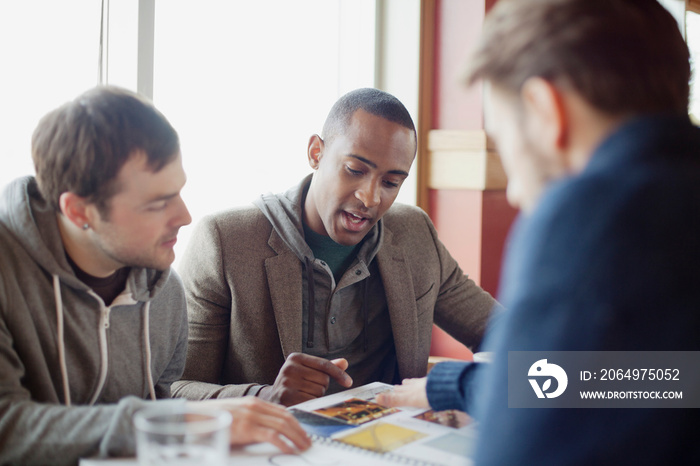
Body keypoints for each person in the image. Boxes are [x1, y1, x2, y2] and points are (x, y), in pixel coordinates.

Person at [377, 0, 700, 464]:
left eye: (505, 144)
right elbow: (660, 381)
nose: (513, 194)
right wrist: (459, 386)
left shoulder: (593, 211)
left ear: (546, 110)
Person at [0, 86, 309, 466]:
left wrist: (248, 405)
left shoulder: (165, 291)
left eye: (177, 192)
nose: (184, 216)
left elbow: (161, 403)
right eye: (158, 203)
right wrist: (175, 422)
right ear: (80, 211)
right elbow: (7, 426)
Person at [172, 88, 500, 407]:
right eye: (355, 170)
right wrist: (263, 396)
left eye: (390, 183)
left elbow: (512, 335)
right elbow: (170, 390)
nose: (370, 198)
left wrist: (467, 393)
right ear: (316, 152)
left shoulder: (414, 234)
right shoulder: (224, 240)